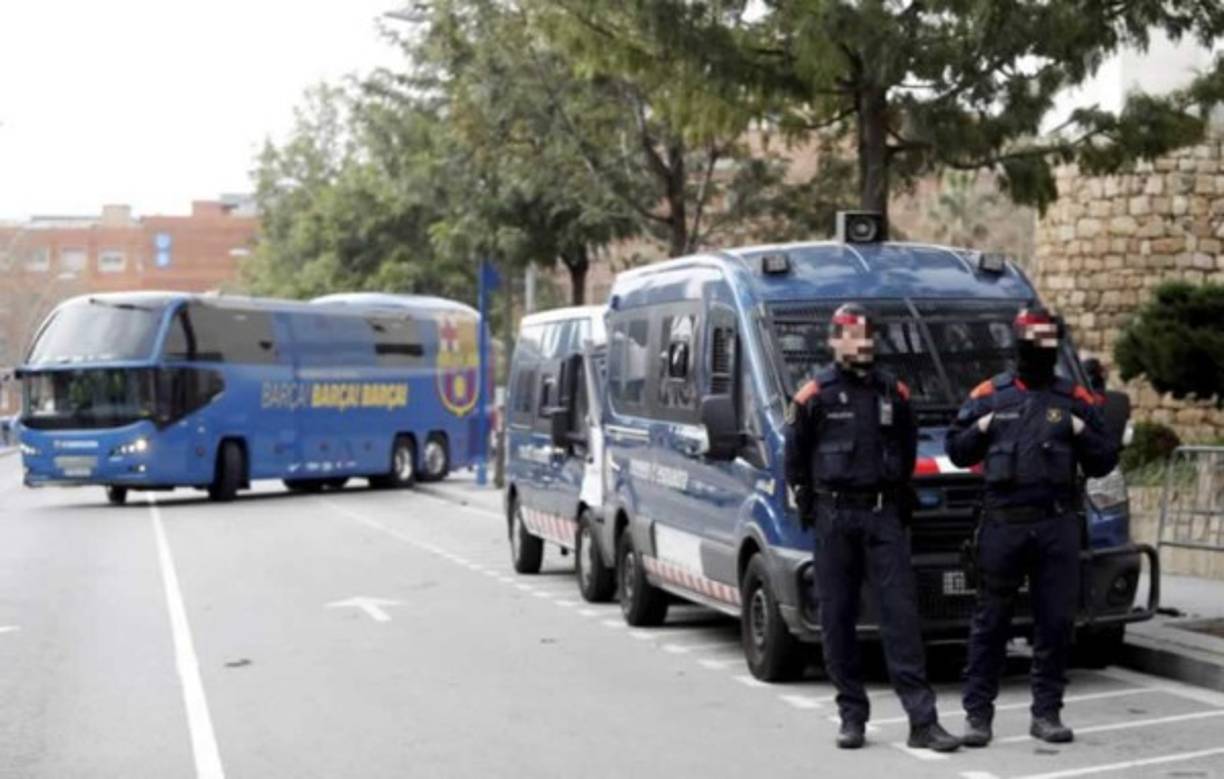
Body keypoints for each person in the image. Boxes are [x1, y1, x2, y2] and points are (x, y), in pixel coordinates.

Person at [785, 303, 960, 752]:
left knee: (901, 618)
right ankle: (852, 716)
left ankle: (923, 721)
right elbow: (795, 461)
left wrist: (897, 500)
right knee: (837, 618)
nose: (858, 343)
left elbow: (906, 448)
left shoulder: (892, 393)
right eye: (848, 335)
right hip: (835, 517)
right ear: (833, 341)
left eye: (864, 335)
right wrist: (811, 506)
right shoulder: (813, 396)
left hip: (883, 515)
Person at [946, 307, 1118, 747]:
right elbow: (958, 450)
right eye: (1031, 341)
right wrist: (981, 426)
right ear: (1018, 344)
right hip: (1003, 525)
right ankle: (978, 717)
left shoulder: (1073, 398)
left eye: (1046, 341)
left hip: (1056, 524)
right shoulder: (990, 394)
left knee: (1055, 623)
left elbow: (1104, 458)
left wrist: (1079, 430)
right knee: (990, 624)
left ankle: (1047, 714)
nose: (1038, 350)